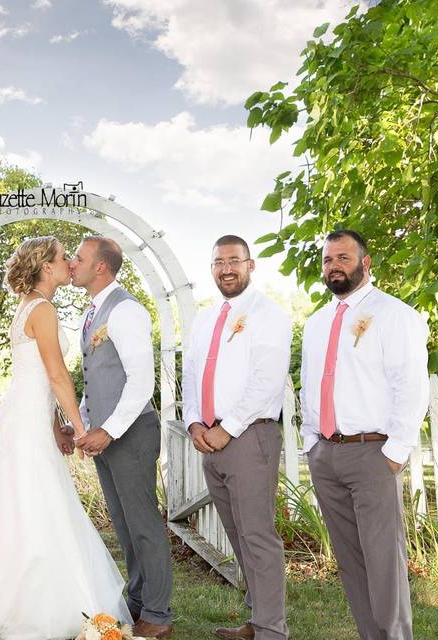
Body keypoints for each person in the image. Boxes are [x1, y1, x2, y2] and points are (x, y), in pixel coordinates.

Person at [0, 236, 131, 640]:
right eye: (65, 258)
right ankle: (36, 606)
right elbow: (57, 376)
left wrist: (54, 424)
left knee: (28, 507)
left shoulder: (28, 306)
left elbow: (38, 383)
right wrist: (80, 430)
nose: (70, 264)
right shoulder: (42, 309)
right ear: (46, 266)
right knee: (36, 507)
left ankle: (21, 599)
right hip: (26, 423)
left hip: (27, 417)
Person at [300, 230, 429, 640]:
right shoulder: (317, 322)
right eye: (327, 259)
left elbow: (411, 385)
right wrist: (310, 442)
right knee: (351, 564)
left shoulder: (395, 315)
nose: (334, 265)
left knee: (383, 563)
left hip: (372, 454)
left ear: (365, 263)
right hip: (326, 455)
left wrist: (395, 453)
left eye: (343, 257)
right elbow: (309, 385)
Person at [182, 235, 292, 640]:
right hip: (209, 438)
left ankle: (271, 630)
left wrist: (226, 429)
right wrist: (194, 422)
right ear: (211, 268)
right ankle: (258, 618)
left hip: (248, 436)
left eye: (234, 260)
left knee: (258, 535)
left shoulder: (269, 314)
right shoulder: (205, 318)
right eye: (218, 262)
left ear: (250, 265)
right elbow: (192, 371)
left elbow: (267, 379)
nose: (226, 268)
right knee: (237, 535)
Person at [71, 236, 173, 639]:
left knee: (144, 524)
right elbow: (97, 378)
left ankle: (159, 615)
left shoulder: (126, 310)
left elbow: (141, 381)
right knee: (125, 526)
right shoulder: (93, 311)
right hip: (106, 435)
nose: (72, 263)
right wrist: (80, 422)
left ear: (101, 267)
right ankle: (137, 601)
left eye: (79, 258)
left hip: (129, 434)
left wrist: (108, 430)